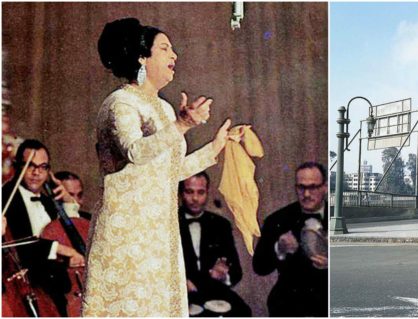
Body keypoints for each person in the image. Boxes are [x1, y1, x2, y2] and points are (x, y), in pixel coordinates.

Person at [83, 18, 234, 316]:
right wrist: (182, 124)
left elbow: (168, 172)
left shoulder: (163, 107)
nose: (174, 55)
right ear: (142, 58)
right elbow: (135, 152)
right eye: (165, 48)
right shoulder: (121, 103)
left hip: (158, 232)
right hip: (127, 232)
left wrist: (215, 146)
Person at [2, 139, 85, 316]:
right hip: (29, 286)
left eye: (43, 167)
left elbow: (75, 233)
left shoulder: (49, 202)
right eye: (30, 166)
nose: (36, 173)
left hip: (57, 287)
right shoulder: (6, 198)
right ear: (18, 166)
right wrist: (64, 251)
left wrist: (68, 202)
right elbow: (18, 244)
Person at [253, 162, 328, 317]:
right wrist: (278, 249)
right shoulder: (277, 219)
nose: (306, 194)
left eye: (313, 187)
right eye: (301, 187)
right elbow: (259, 267)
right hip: (289, 303)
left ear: (325, 187)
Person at [178, 172, 251, 317]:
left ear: (207, 192)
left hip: (214, 293)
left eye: (201, 192)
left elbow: (236, 271)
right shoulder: (169, 224)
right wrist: (180, 282)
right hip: (181, 296)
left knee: (243, 312)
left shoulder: (220, 225)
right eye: (189, 192)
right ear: (180, 193)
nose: (195, 198)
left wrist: (224, 275)